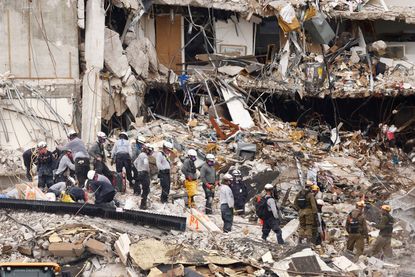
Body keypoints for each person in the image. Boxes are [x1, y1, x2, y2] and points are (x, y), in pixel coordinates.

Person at [134, 144, 153, 209]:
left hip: (139, 173)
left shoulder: (140, 155)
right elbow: (146, 165)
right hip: (144, 174)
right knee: (146, 189)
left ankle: (140, 202)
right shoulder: (145, 156)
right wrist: (148, 172)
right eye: (149, 150)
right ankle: (143, 205)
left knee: (139, 187)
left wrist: (138, 169)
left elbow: (134, 162)